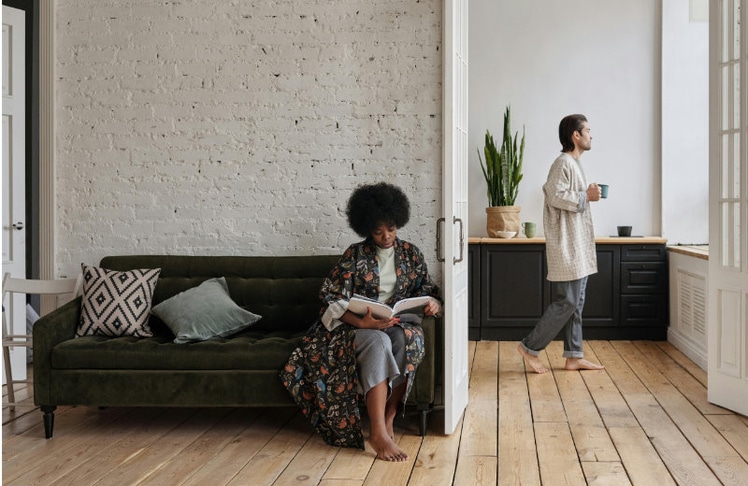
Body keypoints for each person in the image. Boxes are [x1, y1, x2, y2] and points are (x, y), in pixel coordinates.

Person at [281, 182, 441, 462]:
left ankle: (389, 419)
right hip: (354, 327)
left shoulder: (411, 254)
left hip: (394, 322)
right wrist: (361, 322)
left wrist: (434, 304)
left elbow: (428, 289)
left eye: (391, 229)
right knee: (378, 342)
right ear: (366, 228)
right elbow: (329, 298)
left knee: (407, 339)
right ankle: (377, 432)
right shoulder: (354, 255)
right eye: (378, 231)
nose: (386, 236)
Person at [517, 114, 605, 374]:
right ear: (575, 135)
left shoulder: (575, 164)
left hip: (578, 246)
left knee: (576, 303)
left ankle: (574, 356)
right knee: (567, 301)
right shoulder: (563, 162)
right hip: (568, 247)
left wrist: (587, 194)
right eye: (588, 130)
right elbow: (554, 194)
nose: (591, 135)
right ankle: (530, 347)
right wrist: (585, 195)